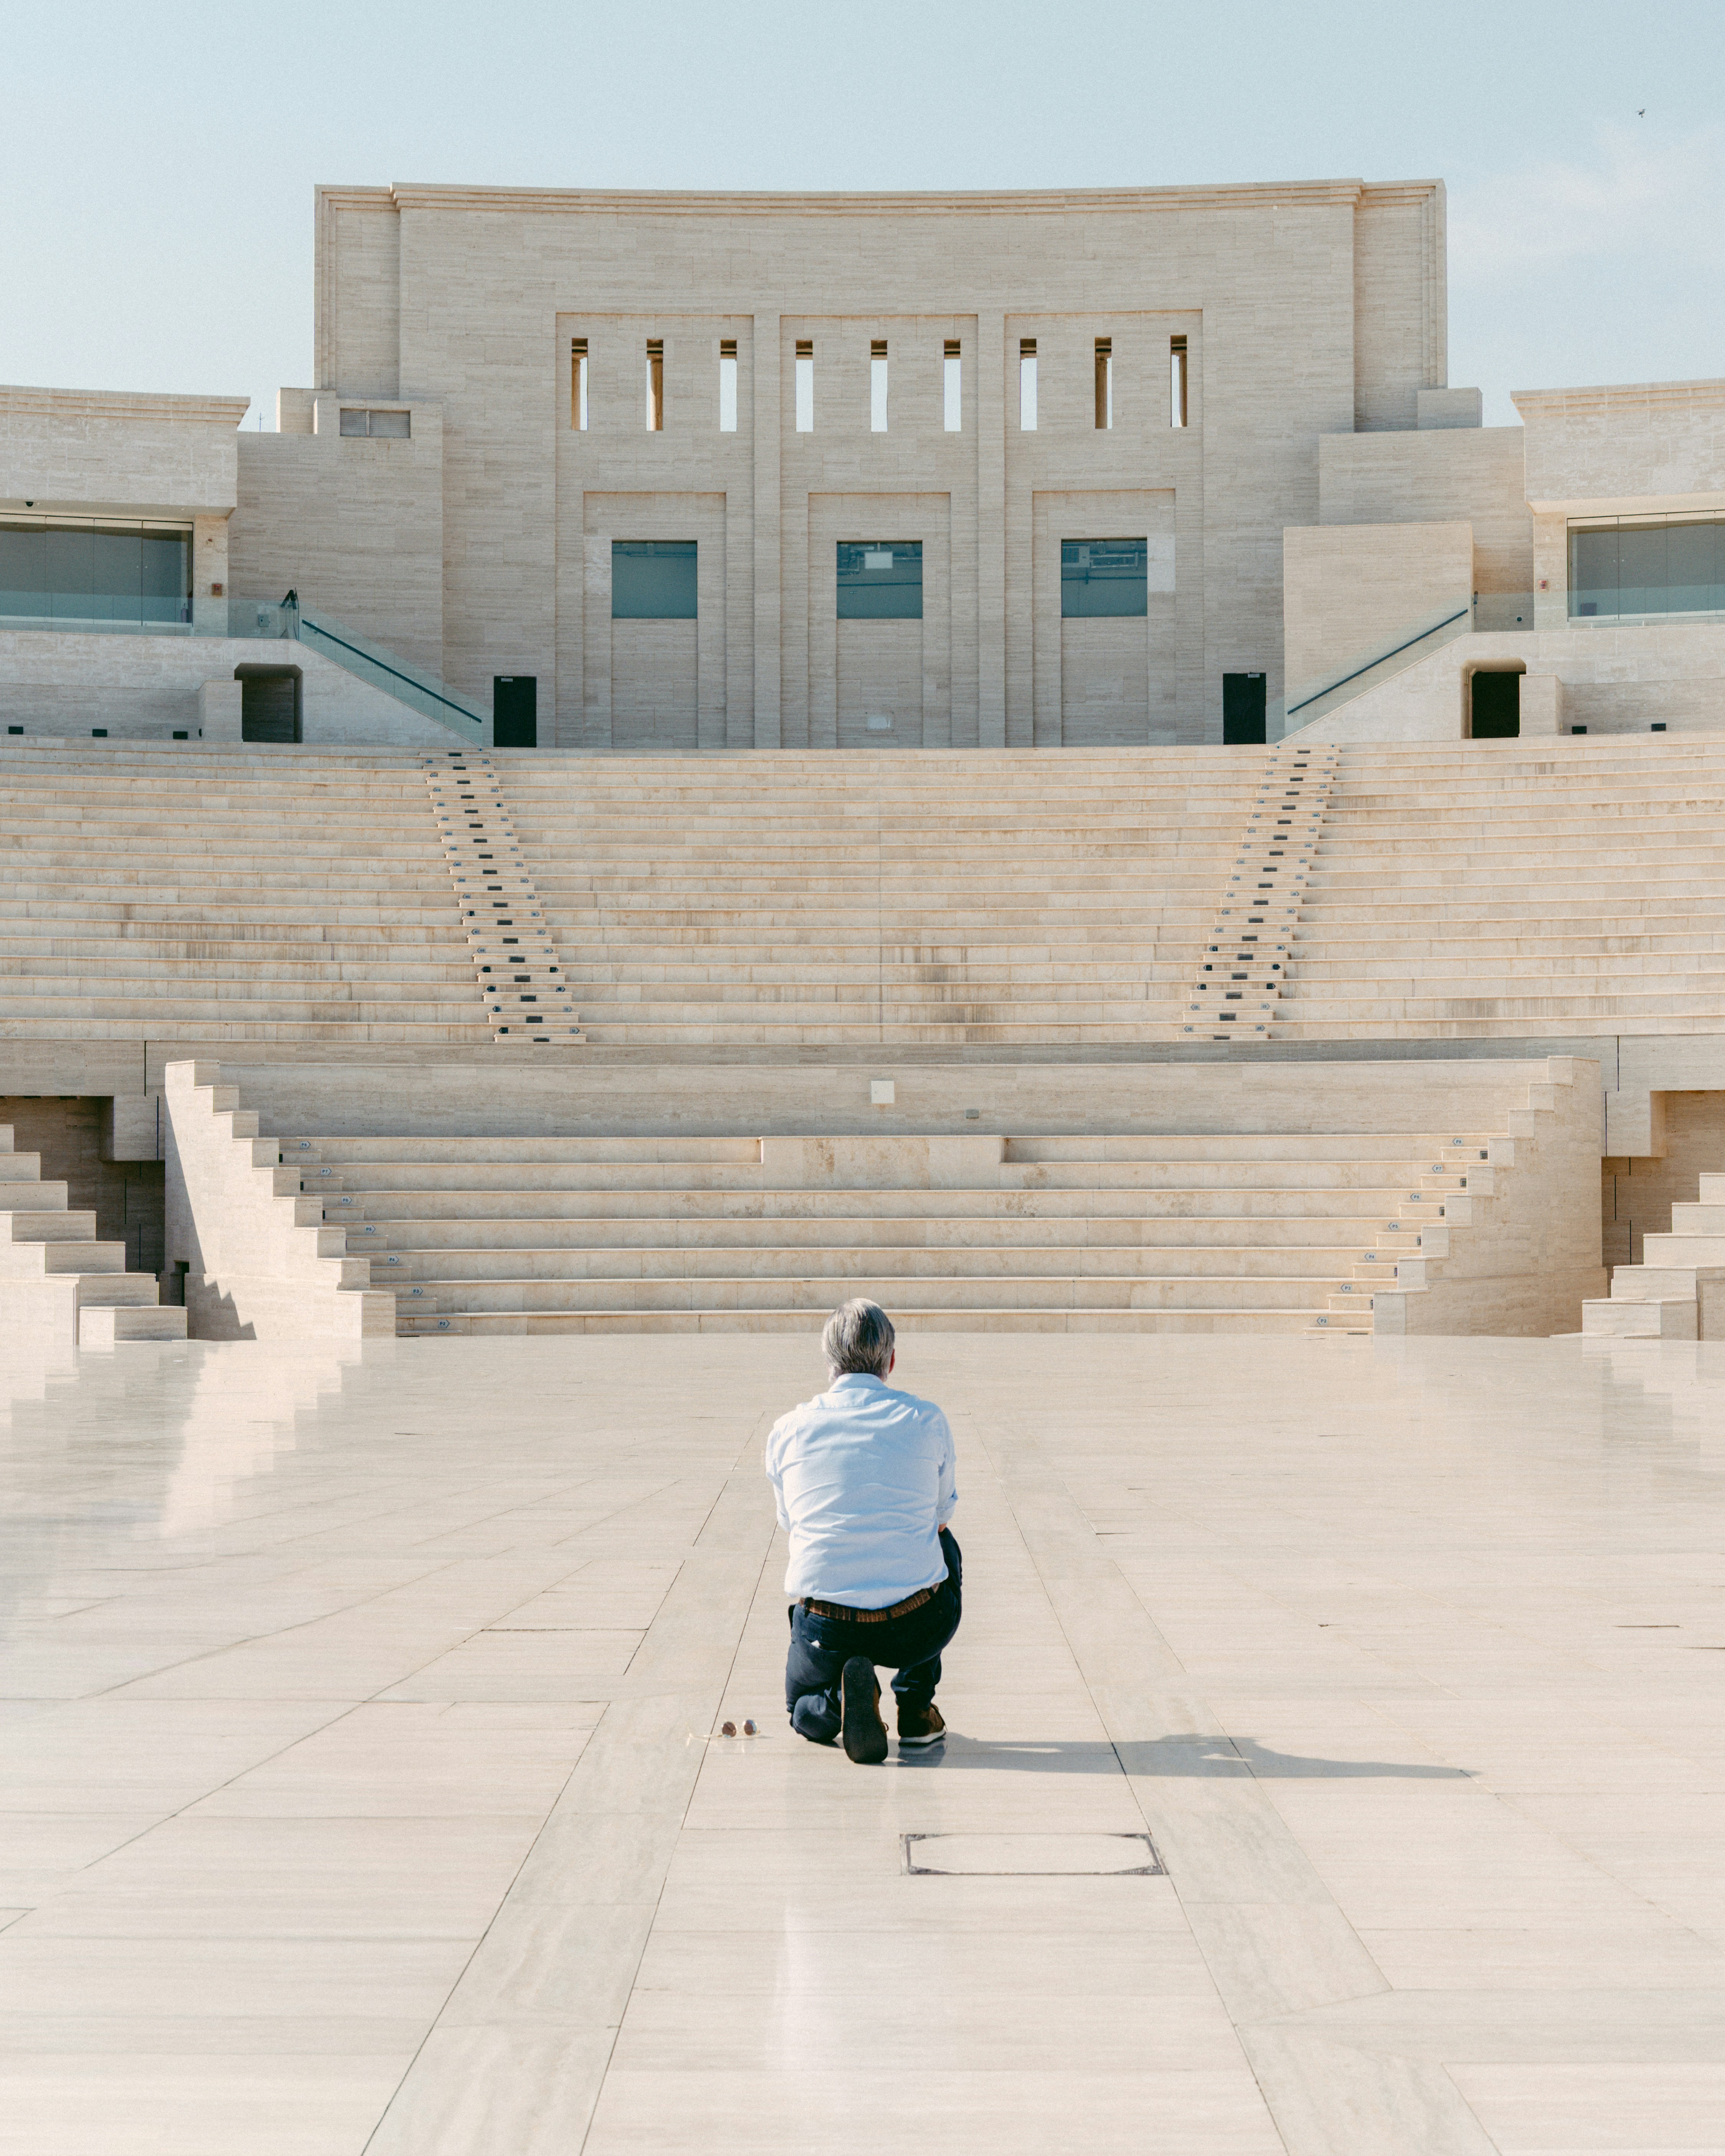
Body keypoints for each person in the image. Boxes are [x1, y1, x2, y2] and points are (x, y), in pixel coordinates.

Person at [765, 1299, 960, 1764]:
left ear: (828, 1361)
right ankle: (915, 1708)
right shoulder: (926, 1420)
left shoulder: (788, 1430)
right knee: (939, 1544)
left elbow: (791, 1522)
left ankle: (837, 1700)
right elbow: (939, 1518)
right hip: (914, 1626)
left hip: (826, 1630)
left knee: (800, 1709)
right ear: (890, 1361)